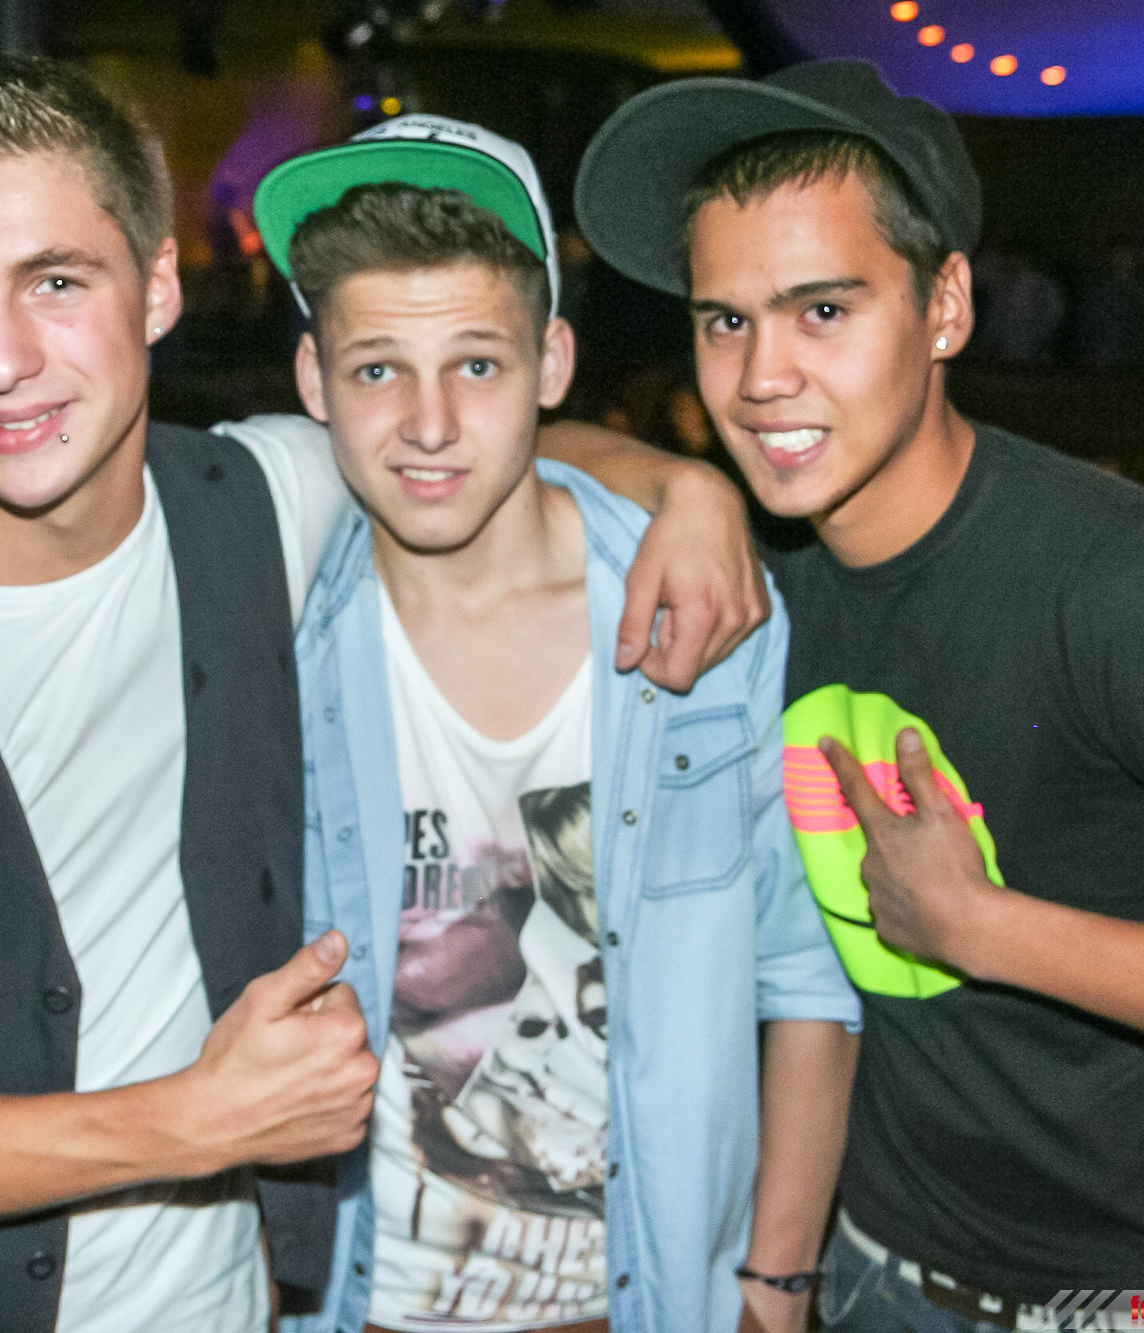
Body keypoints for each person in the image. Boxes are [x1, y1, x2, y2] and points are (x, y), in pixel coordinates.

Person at [0, 57, 767, 1333]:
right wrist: (191, 1121)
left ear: (156, 289)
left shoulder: (264, 499)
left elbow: (464, 427)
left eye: (55, 282)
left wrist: (689, 489)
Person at [571, 59, 1144, 1332]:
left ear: (945, 308)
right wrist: (681, 485)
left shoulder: (1117, 581)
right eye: (724, 321)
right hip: (882, 1265)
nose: (760, 377)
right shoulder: (760, 553)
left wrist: (982, 928)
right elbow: (512, 447)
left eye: (822, 310)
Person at [250, 115, 860, 1333]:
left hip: (649, 1303)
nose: (428, 424)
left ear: (552, 363)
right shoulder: (272, 618)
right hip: (357, 1303)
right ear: (314, 380)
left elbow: (804, 974)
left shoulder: (698, 609)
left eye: (477, 365)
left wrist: (776, 1285)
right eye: (376, 370)